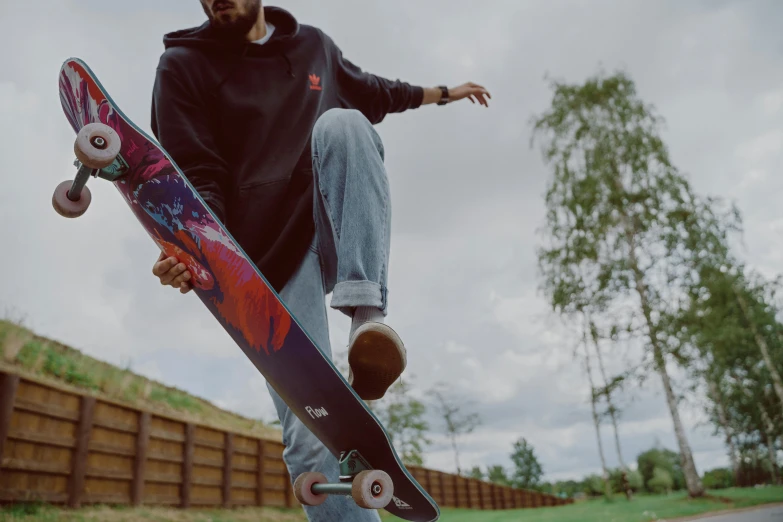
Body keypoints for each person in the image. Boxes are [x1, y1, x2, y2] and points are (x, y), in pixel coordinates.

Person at [150, 1, 490, 520]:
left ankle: (366, 325)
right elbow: (195, 171)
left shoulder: (315, 48)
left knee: (346, 126)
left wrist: (445, 93)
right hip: (261, 262)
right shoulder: (183, 66)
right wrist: (194, 251)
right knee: (314, 436)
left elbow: (378, 92)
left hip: (331, 218)